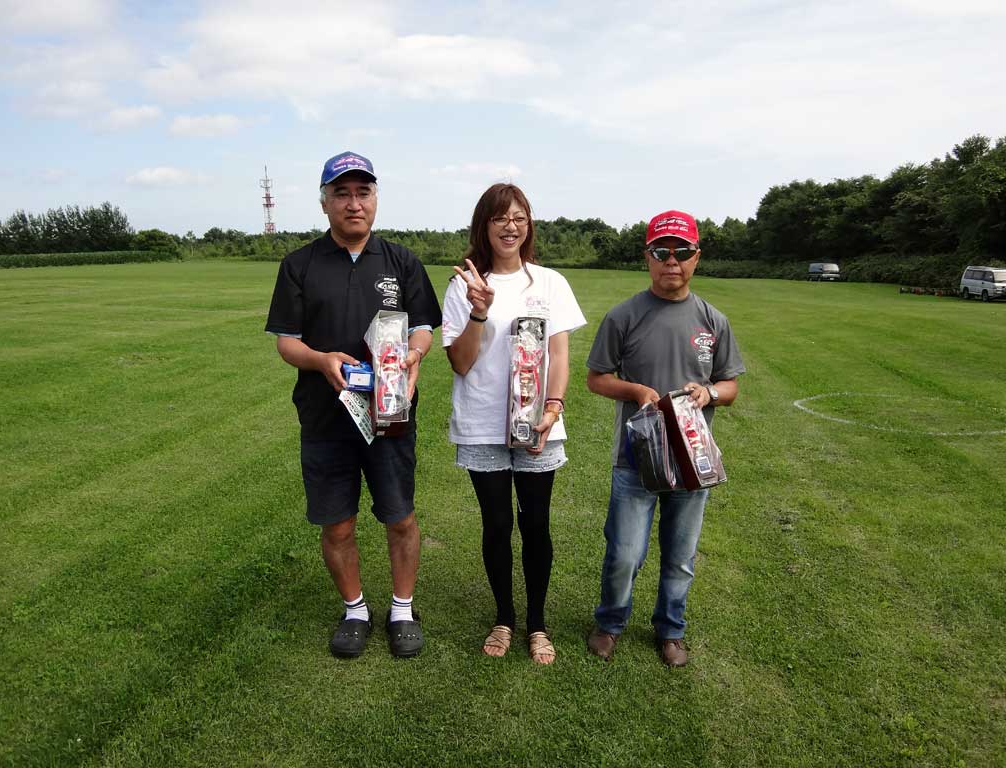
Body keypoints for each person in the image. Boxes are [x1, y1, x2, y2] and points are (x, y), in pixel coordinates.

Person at [265, 151, 442, 659]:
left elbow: (423, 327)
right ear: (324, 203)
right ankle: (356, 610)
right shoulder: (299, 264)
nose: (353, 203)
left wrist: (413, 357)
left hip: (391, 415)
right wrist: (321, 360)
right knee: (337, 522)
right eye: (341, 193)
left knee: (399, 516)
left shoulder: (401, 261)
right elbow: (287, 342)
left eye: (363, 192)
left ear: (376, 199)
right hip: (325, 417)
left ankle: (402, 610)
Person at [585, 209, 745, 667]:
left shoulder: (713, 320)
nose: (671, 261)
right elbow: (596, 378)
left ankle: (671, 630)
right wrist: (636, 391)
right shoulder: (624, 316)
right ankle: (610, 622)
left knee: (680, 556)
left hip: (693, 460)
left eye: (681, 252)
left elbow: (730, 386)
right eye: (661, 252)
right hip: (637, 458)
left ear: (697, 257)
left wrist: (710, 392)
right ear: (647, 257)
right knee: (625, 553)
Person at [442, 183, 586, 665]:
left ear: (529, 225)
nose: (511, 227)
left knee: (536, 524)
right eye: (500, 218)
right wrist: (478, 311)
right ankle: (504, 616)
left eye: (520, 217)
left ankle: (538, 623)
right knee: (497, 524)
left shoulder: (549, 282)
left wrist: (553, 408)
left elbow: (559, 355)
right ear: (484, 225)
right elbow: (461, 363)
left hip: (539, 425)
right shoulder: (464, 284)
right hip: (483, 422)